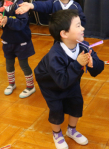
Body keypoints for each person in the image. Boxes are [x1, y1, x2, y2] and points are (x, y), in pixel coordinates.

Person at [34, 9, 104, 149]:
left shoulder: (84, 46)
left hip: (70, 81)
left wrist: (92, 64)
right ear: (64, 33)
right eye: (78, 25)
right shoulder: (55, 55)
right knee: (56, 109)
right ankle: (57, 133)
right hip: (51, 84)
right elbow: (62, 82)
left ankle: (71, 130)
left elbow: (98, 68)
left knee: (76, 104)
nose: (83, 28)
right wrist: (78, 63)